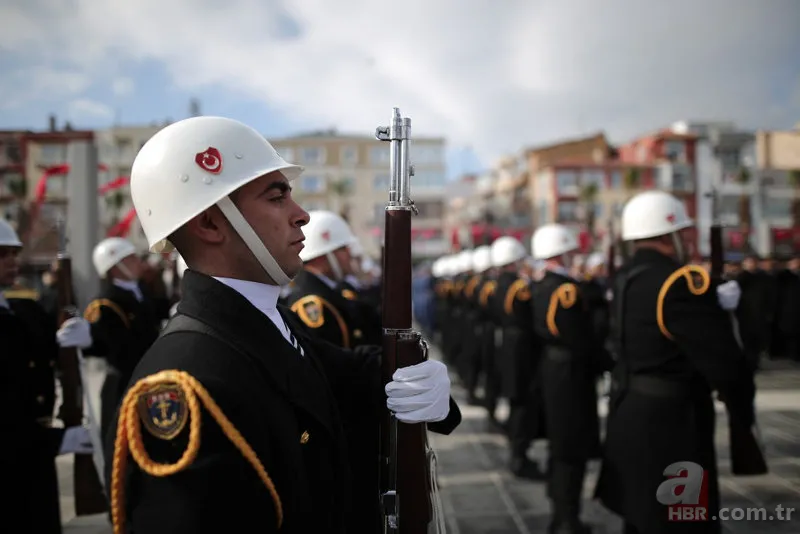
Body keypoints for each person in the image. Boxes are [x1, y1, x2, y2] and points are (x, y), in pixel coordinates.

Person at [107, 115, 453, 534]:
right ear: (210, 224)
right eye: (276, 197)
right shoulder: (186, 381)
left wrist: (418, 378)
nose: (302, 215)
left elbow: (345, 371)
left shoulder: (265, 323)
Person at [595, 190, 754, 534]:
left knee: (641, 516)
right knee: (682, 520)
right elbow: (725, 362)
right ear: (671, 235)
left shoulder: (625, 277)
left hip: (631, 411)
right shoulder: (680, 283)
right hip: (672, 425)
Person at [0, 219, 94, 534]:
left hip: (34, 461)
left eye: (14, 253)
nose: (13, 261)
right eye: (3, 254)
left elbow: (67, 320)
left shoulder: (23, 310)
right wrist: (54, 441)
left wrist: (85, 330)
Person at [83, 237, 171, 440]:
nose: (138, 263)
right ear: (115, 267)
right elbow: (118, 348)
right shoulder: (106, 302)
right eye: (131, 259)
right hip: (124, 383)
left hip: (149, 377)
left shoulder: (142, 290)